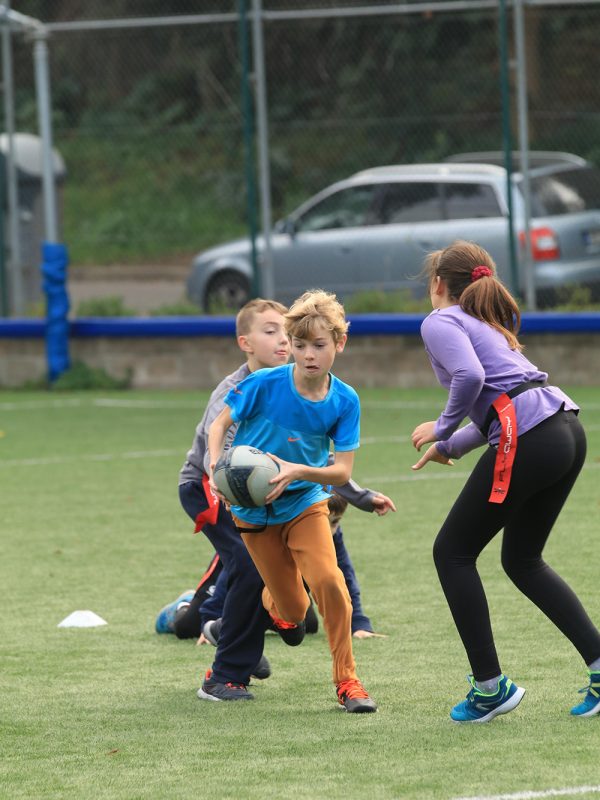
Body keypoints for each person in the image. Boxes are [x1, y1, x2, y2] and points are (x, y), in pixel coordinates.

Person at [410, 240, 600, 723]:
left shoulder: (440, 320)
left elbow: (470, 378)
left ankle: (490, 688)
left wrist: (442, 427)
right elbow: (504, 400)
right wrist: (451, 447)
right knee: (522, 560)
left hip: (530, 435)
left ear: (438, 284)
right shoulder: (486, 322)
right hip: (564, 426)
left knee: (451, 552)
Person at [207, 289, 388, 713]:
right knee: (294, 609)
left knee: (331, 583)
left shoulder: (344, 400)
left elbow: (340, 472)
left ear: (339, 343)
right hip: (252, 512)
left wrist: (296, 471)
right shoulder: (263, 384)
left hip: (304, 502)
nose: (308, 355)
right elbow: (219, 425)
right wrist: (217, 467)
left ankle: (348, 682)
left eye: (319, 345)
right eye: (300, 344)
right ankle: (280, 611)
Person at [176, 298, 291, 698]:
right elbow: (219, 454)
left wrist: (358, 494)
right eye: (271, 331)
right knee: (249, 562)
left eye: (287, 331)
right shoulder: (233, 391)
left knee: (274, 572)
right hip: (207, 488)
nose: (283, 339)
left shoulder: (294, 386)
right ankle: (223, 675)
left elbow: (312, 453)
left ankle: (232, 630)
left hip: (257, 496)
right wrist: (224, 482)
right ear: (246, 342)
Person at [158, 480, 390, 643]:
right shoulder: (275, 527)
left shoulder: (329, 535)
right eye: (326, 521)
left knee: (307, 624)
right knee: (187, 627)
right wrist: (210, 619)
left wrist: (358, 623)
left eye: (335, 522)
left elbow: (344, 575)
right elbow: (232, 569)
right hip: (232, 579)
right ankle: (184, 603)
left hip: (275, 591)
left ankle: (263, 616)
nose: (329, 530)